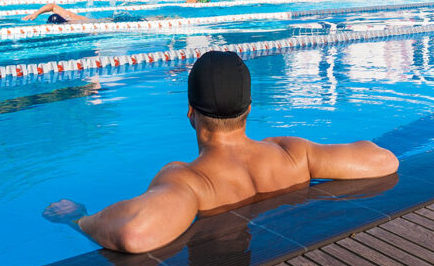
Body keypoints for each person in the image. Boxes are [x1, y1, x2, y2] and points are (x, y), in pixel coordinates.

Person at [43, 50, 398, 253]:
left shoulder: (189, 181)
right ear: (249, 108)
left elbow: (136, 233)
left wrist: (78, 217)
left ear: (190, 114)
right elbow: (383, 159)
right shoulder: (292, 153)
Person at [23, 0, 204, 22]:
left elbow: (53, 6)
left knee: (145, 18)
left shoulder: (73, 21)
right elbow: (53, 5)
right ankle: (165, 17)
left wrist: (36, 15)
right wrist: (36, 13)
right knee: (145, 18)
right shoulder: (71, 17)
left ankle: (166, 17)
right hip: (109, 19)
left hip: (111, 22)